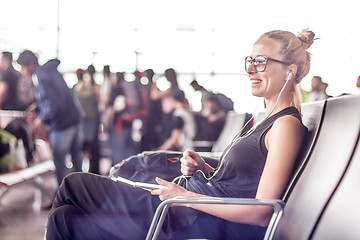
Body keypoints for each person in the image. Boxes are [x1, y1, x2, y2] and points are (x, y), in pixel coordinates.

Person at [45, 28, 314, 239]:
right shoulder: (264, 120)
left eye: (262, 61)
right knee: (64, 219)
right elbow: (244, 182)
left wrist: (184, 197)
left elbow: (263, 211)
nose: (251, 68)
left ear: (289, 71)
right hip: (185, 207)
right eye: (251, 60)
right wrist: (206, 168)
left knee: (73, 183)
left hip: (187, 219)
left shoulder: (285, 126)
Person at [17, 50, 84, 186]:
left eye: (23, 68)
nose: (23, 72)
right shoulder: (50, 72)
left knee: (59, 162)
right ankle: (80, 195)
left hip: (62, 124)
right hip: (75, 119)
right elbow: (55, 97)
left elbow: (54, 104)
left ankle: (62, 197)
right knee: (77, 161)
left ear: (30, 65)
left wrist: (42, 119)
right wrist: (38, 106)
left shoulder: (40, 76)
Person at [73, 66, 101, 174]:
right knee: (91, 146)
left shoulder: (78, 87)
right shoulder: (94, 87)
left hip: (83, 120)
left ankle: (82, 170)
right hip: (92, 119)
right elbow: (99, 101)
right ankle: (91, 170)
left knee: (83, 147)